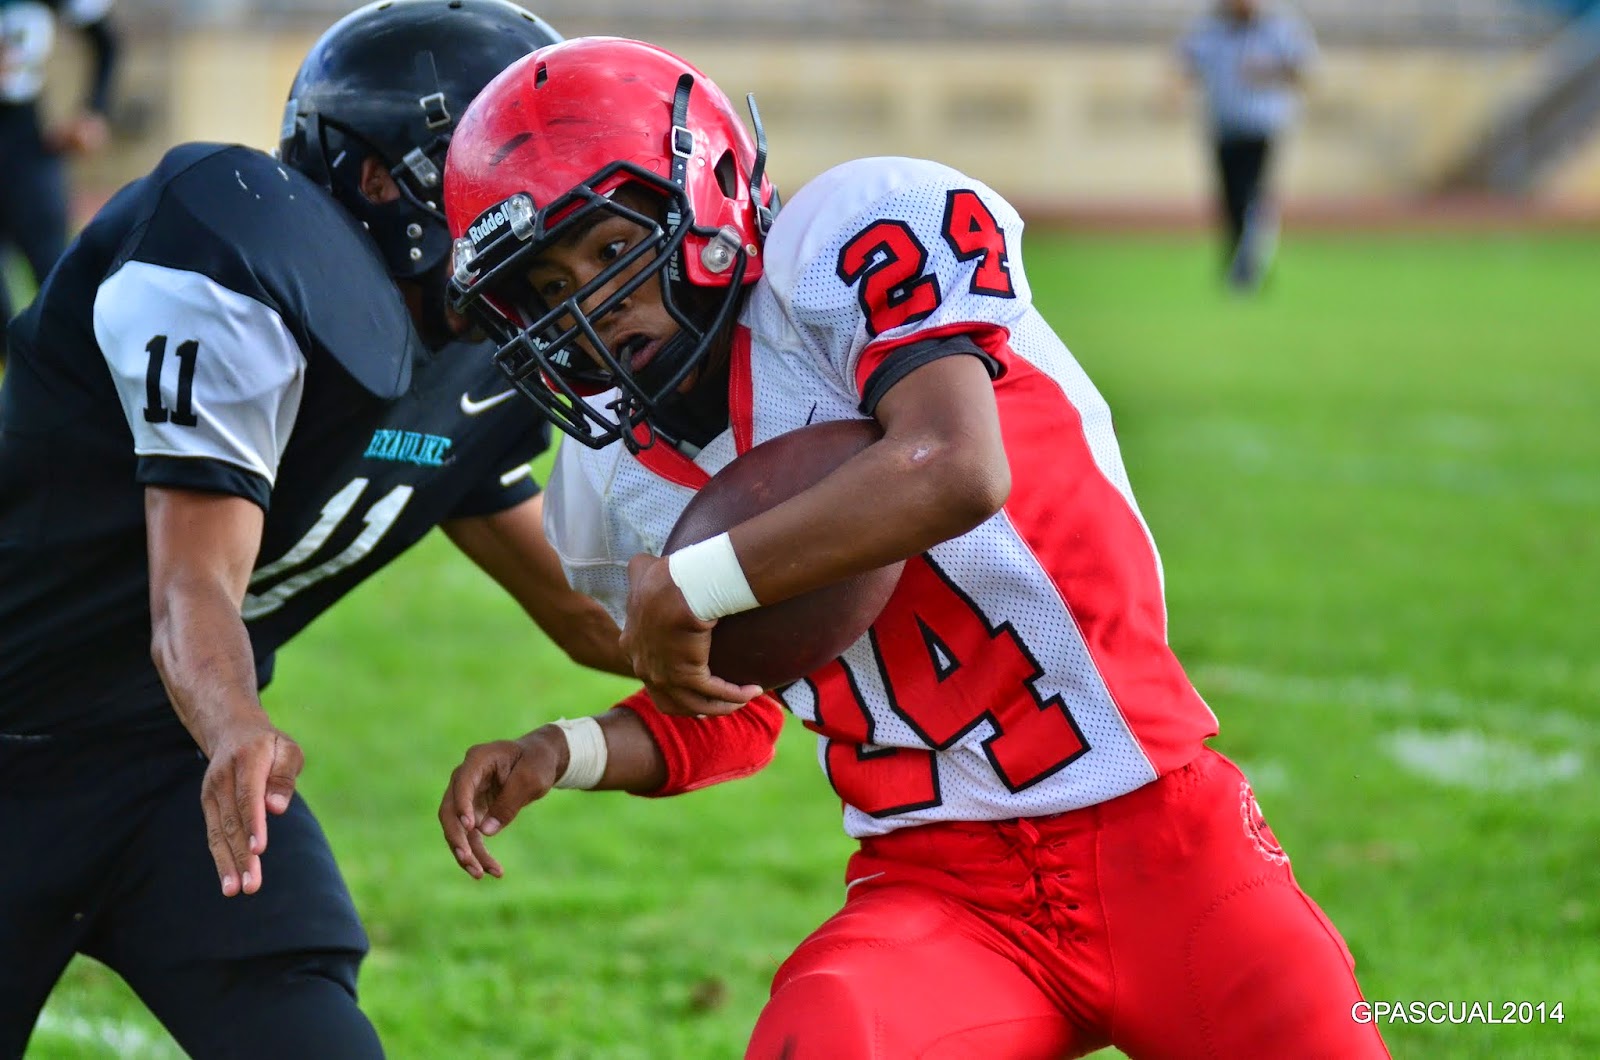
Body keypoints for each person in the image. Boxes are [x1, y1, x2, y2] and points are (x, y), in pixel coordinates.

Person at [436, 36, 1388, 1059]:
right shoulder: (618, 471)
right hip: (940, 888)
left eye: (608, 245)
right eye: (545, 283)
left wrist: (699, 579)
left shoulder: (839, 246)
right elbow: (747, 702)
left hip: (1158, 837)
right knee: (822, 1035)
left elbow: (950, 465)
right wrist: (564, 750)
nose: (586, 299)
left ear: (702, 202)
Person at [0, 3, 630, 1056]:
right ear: (386, 180)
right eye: (503, 165)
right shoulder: (234, 265)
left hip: (162, 765)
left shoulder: (475, 353)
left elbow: (588, 613)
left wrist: (799, 601)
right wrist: (236, 722)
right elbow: (186, 590)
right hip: (133, 733)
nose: (537, 207)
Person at [0, 0, 119, 365]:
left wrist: (92, 112)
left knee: (59, 288)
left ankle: (76, 391)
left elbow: (105, 40)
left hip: (24, 148)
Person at [1178, 0, 1317, 290]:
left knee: (1251, 197)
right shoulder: (1213, 27)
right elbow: (1188, 61)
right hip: (1224, 127)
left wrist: (1270, 71)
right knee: (1230, 201)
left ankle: (1249, 267)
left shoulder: (1279, 26)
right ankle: (1236, 261)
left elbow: (1305, 70)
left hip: (1261, 127)